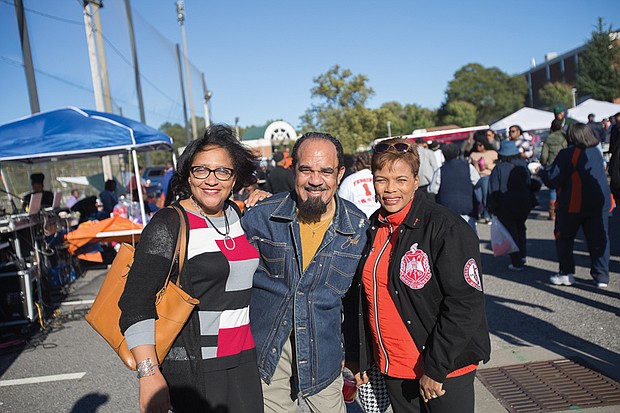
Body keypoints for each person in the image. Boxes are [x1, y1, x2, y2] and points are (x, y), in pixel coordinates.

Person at [119, 124, 264, 413]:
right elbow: (135, 303)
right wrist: (148, 375)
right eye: (201, 170)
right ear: (188, 174)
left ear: (235, 178)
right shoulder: (169, 224)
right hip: (198, 368)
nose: (212, 180)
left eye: (223, 171)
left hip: (245, 359)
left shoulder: (237, 213)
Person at [344, 138, 491, 413]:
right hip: (395, 369)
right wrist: (359, 357)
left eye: (400, 179)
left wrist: (436, 368)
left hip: (443, 371)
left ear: (415, 180)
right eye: (381, 180)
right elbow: (363, 300)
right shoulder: (372, 228)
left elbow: (465, 303)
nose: (390, 189)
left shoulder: (446, 226)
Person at [242, 132, 369, 413]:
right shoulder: (261, 217)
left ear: (340, 174)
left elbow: (358, 299)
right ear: (293, 170)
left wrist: (357, 356)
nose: (315, 180)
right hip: (269, 356)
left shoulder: (356, 228)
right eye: (306, 170)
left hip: (324, 358)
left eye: (326, 171)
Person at [538, 123, 611, 288]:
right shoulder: (596, 151)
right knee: (599, 239)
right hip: (600, 202)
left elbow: (552, 178)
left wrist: (540, 172)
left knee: (564, 237)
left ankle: (566, 273)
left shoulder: (568, 154)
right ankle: (601, 276)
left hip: (574, 202)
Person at [488, 140, 535, 271]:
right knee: (521, 228)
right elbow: (529, 183)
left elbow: (494, 189)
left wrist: (491, 206)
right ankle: (523, 255)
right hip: (524, 202)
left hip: (506, 204)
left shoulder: (499, 168)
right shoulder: (522, 164)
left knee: (511, 232)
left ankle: (516, 261)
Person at [429, 143, 480, 233]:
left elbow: (432, 189)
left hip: (447, 210)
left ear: (444, 155)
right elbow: (477, 182)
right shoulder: (468, 167)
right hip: (467, 208)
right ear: (458, 153)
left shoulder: (440, 170)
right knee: (469, 235)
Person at [338, 151, 381, 218]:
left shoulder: (349, 180)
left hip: (358, 218)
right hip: (379, 216)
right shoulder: (378, 177)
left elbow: (341, 203)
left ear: (359, 164)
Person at [540, 119, 567, 220]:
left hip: (551, 164)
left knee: (552, 189)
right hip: (563, 164)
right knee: (564, 187)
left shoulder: (548, 138)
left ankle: (552, 213)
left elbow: (544, 155)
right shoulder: (564, 137)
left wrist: (544, 163)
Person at [468, 134, 498, 223]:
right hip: (476, 178)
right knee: (478, 198)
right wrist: (474, 164)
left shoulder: (492, 153)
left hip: (487, 176)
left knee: (485, 197)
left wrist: (487, 166)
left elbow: (497, 165)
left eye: (480, 145)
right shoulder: (473, 154)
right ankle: (479, 213)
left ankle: (487, 215)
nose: (478, 147)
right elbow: (469, 166)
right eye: (476, 145)